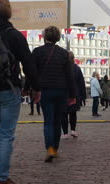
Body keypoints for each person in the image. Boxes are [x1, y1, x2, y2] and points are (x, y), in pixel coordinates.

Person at [0, 0, 40, 183]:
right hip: (9, 88)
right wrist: (33, 87)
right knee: (7, 133)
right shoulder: (13, 35)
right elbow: (28, 63)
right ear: (9, 14)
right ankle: (1, 176)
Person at [31, 26, 75, 162]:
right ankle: (55, 149)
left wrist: (28, 88)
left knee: (48, 121)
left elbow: (32, 72)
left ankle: (49, 148)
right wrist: (72, 95)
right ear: (58, 37)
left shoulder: (37, 52)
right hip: (61, 91)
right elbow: (69, 76)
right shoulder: (64, 53)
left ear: (45, 37)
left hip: (45, 90)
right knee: (57, 121)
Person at [61, 51, 85, 139]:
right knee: (73, 113)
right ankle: (73, 130)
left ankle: (65, 133)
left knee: (63, 114)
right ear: (73, 58)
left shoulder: (61, 68)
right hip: (75, 94)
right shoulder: (77, 68)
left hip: (63, 94)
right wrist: (83, 96)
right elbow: (81, 83)